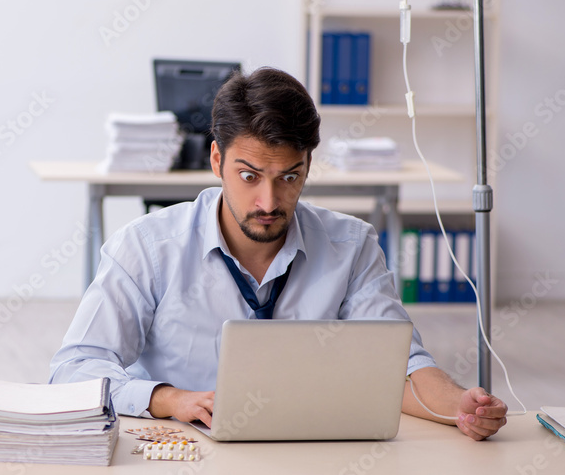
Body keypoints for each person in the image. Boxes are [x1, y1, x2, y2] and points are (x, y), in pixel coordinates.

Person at [49, 67, 507, 441]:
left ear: (308, 165)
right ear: (216, 161)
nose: (268, 202)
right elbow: (74, 370)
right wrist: (172, 399)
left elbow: (399, 364)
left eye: (288, 177)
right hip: (185, 452)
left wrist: (459, 406)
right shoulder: (147, 247)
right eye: (249, 177)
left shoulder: (352, 246)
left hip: (314, 452)